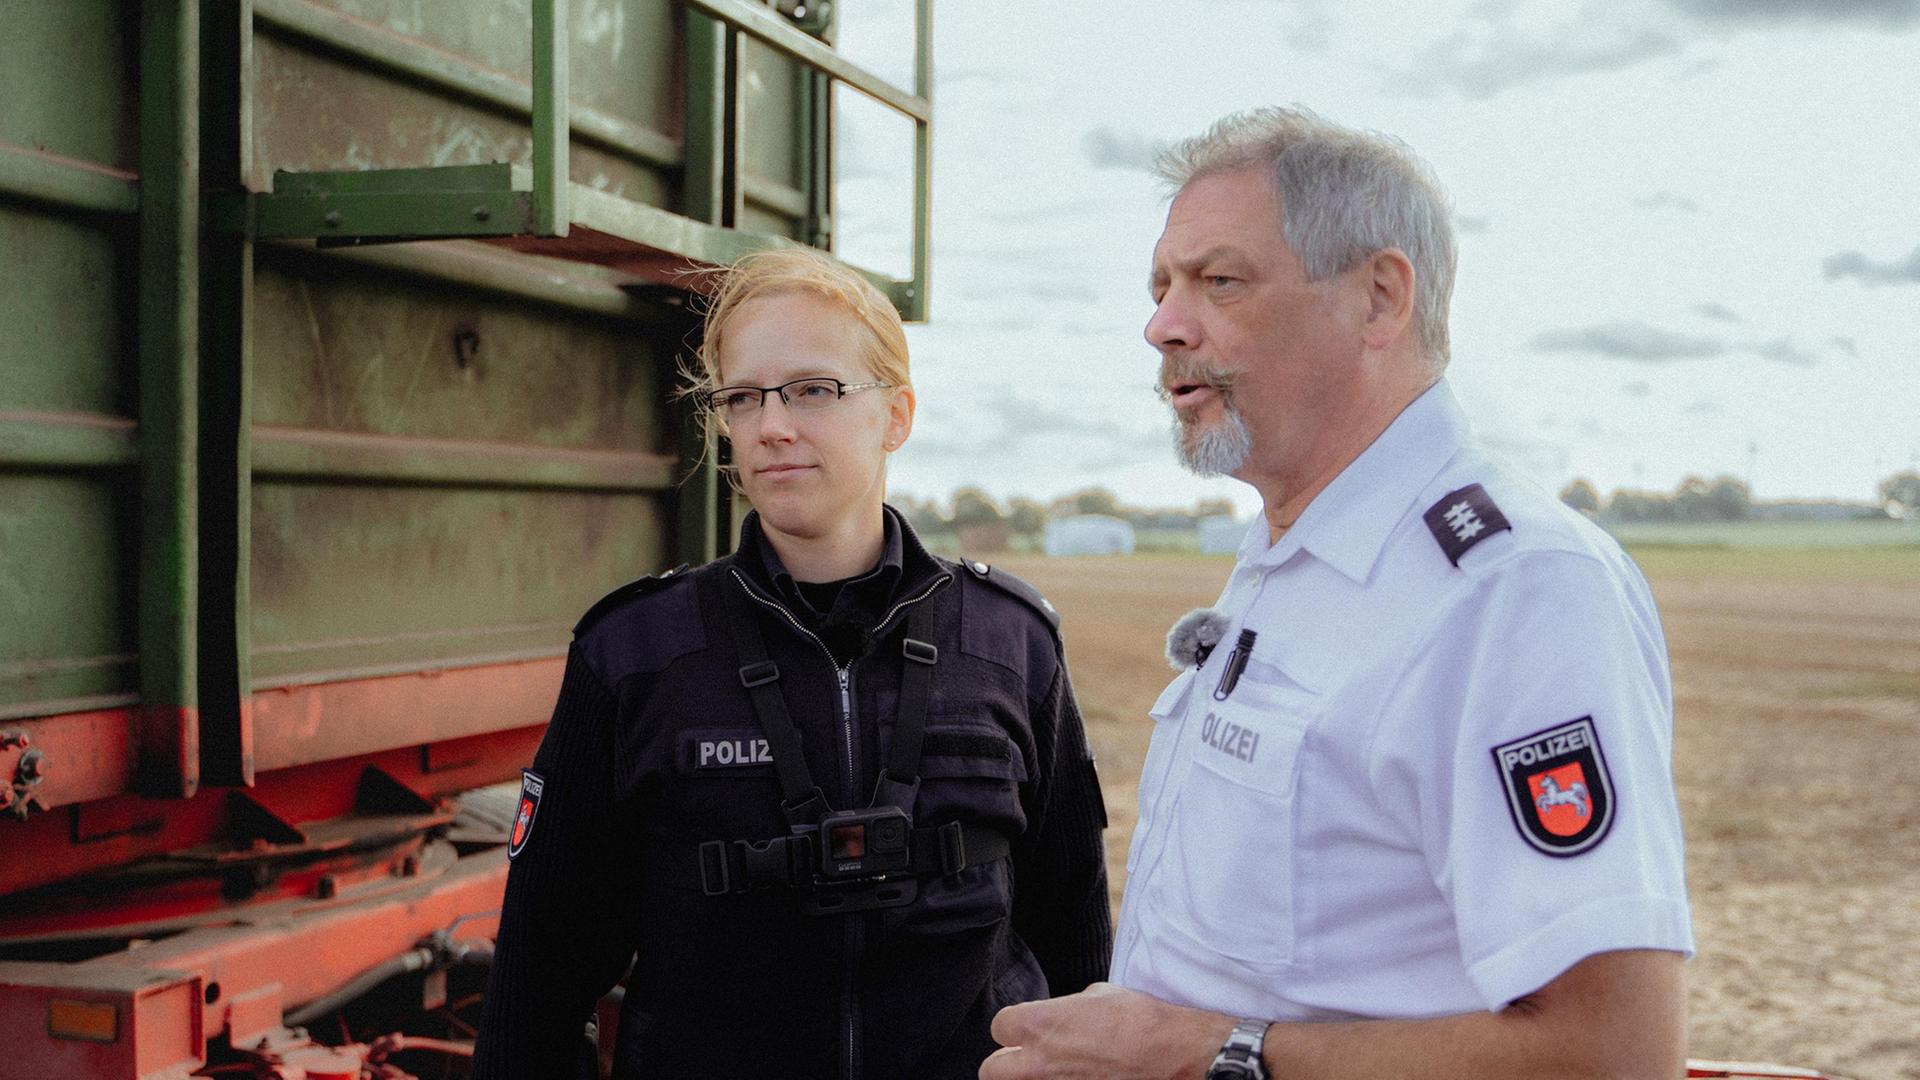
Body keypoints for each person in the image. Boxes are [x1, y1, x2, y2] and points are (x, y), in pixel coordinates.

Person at [984, 108, 1693, 1080]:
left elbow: (1610, 1052)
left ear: (1379, 299)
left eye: (1218, 281)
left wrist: (1211, 1060)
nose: (1162, 325)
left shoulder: (1511, 591)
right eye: (1160, 286)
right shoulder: (1294, 549)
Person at [472, 248, 1112, 1080]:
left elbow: (1078, 951)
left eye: (813, 389)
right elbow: (538, 977)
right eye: (742, 397)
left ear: (896, 415)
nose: (772, 424)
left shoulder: (1011, 644)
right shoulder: (632, 653)